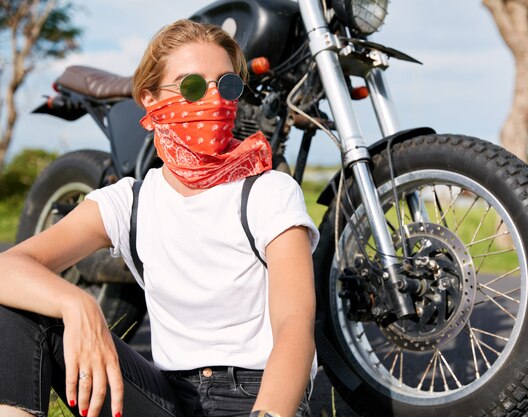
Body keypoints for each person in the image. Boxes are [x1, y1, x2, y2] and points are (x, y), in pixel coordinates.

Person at [0, 19, 318, 417]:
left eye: (228, 85)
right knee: (16, 308)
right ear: (150, 100)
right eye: (192, 86)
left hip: (254, 395)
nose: (214, 100)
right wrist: (75, 302)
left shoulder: (269, 191)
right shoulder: (131, 201)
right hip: (167, 396)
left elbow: (294, 325)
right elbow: (7, 268)